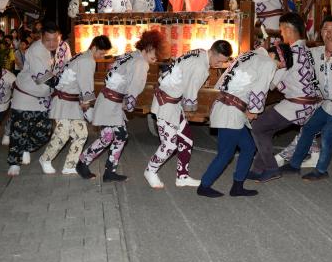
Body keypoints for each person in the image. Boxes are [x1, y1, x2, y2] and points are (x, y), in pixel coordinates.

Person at [197, 44, 291, 198]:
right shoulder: (267, 62)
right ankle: (204, 185)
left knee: (248, 147)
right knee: (226, 153)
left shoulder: (248, 54)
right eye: (279, 65)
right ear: (275, 56)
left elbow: (221, 81)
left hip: (226, 106)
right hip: (231, 112)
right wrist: (254, 110)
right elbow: (260, 89)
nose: (277, 69)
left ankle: (238, 186)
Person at [279, 15, 332, 181]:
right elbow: (297, 57)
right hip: (329, 103)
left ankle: (321, 170)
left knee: (327, 133)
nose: (328, 33)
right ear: (320, 32)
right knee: (309, 127)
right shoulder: (316, 52)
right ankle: (294, 164)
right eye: (325, 29)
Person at [144, 40, 232, 189]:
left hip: (172, 101)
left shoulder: (199, 52)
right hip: (166, 104)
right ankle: (150, 170)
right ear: (214, 52)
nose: (218, 65)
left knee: (186, 140)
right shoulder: (201, 67)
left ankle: (182, 177)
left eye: (222, 63)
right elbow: (190, 96)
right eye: (218, 61)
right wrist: (193, 112)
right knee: (169, 145)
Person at [77, 31, 163, 182]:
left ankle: (107, 170)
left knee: (114, 137)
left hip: (108, 100)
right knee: (113, 137)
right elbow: (134, 87)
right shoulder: (141, 63)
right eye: (154, 55)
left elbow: (112, 73)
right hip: (111, 103)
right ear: (148, 47)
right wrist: (129, 106)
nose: (154, 60)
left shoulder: (129, 55)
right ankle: (85, 163)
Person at [248, 13, 321, 183]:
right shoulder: (308, 51)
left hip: (297, 105)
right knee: (266, 128)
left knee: (258, 126)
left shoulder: (288, 52)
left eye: (281, 30)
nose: (281, 34)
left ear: (288, 29)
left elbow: (271, 83)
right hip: (310, 104)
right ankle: (258, 168)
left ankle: (271, 168)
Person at [39, 36, 112, 176]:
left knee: (81, 134)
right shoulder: (87, 60)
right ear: (94, 47)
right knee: (62, 134)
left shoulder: (82, 56)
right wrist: (88, 106)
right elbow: (86, 85)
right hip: (63, 101)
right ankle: (45, 159)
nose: (101, 56)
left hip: (71, 102)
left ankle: (70, 165)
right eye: (101, 53)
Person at [6, 21, 60, 176]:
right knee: (19, 131)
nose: (51, 43)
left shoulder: (59, 48)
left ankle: (26, 148)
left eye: (54, 40)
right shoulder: (36, 50)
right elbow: (42, 76)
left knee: (44, 131)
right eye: (48, 40)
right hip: (25, 96)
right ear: (41, 37)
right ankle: (14, 163)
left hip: (42, 98)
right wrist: (63, 84)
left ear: (59, 37)